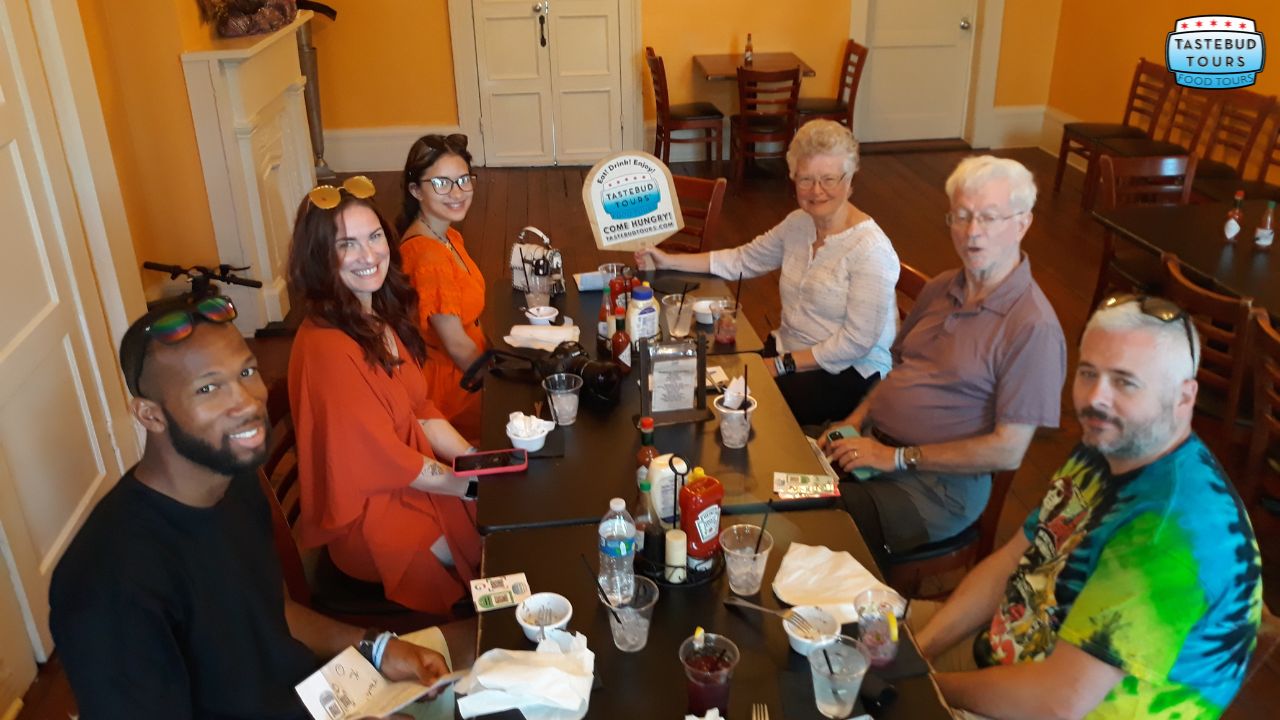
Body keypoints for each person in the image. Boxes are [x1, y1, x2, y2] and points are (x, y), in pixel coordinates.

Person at [49, 297, 450, 718]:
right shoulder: (108, 583)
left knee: (485, 656)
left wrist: (377, 647)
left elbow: (276, 611)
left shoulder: (233, 479)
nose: (245, 402)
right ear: (150, 415)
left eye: (246, 372)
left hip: (318, 696)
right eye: (208, 388)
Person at [909, 296, 1263, 719]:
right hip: (1009, 649)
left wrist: (923, 687)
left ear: (1184, 398)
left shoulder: (1170, 535)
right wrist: (918, 652)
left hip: (1049, 703)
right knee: (853, 630)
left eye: (1124, 382)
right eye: (1088, 373)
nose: (1096, 398)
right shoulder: (1110, 442)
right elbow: (1016, 557)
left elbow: (1058, 703)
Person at [820, 155, 1067, 565]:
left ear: (1022, 224)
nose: (973, 232)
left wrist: (896, 458)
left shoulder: (1032, 327)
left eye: (989, 218)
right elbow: (901, 373)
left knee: (810, 520)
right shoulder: (940, 288)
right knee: (779, 472)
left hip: (934, 492)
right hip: (869, 450)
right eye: (962, 216)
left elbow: (1008, 451)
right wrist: (854, 421)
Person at [288, 176, 482, 615]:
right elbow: (383, 460)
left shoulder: (372, 313)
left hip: (406, 480)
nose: (369, 255)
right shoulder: (327, 349)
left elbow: (420, 409)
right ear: (319, 257)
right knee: (496, 543)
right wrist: (469, 485)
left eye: (374, 236)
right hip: (372, 513)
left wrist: (474, 459)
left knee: (500, 514)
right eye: (347, 245)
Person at [635, 119, 899, 426]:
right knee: (704, 385)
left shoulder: (870, 250)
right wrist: (668, 260)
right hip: (788, 351)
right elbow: (743, 259)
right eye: (805, 179)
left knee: (734, 411)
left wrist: (782, 365)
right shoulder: (799, 223)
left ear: (849, 179)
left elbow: (856, 343)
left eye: (829, 179)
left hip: (846, 373)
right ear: (793, 177)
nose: (817, 191)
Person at [397, 134, 486, 437]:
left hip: (470, 368)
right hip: (457, 389)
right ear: (415, 191)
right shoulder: (428, 257)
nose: (457, 192)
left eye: (463, 180)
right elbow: (457, 345)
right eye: (441, 183)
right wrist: (499, 383)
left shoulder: (446, 237)